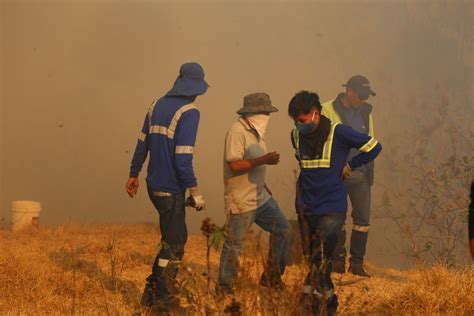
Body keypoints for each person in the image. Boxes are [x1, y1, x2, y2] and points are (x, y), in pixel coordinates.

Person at [288, 91, 381, 315]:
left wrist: (351, 166)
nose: (299, 125)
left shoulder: (339, 132)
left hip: (331, 208)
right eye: (295, 122)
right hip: (305, 207)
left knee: (321, 258)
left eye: (302, 120)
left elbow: (374, 147)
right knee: (314, 261)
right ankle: (329, 304)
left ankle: (307, 301)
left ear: (315, 114)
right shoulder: (296, 135)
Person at [125, 62, 208, 309]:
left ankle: (151, 293)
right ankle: (163, 301)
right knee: (175, 246)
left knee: (169, 241)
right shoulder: (190, 112)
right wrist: (195, 192)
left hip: (153, 185)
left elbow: (142, 143)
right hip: (170, 188)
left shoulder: (156, 105)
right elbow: (183, 158)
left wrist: (133, 173)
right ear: (195, 88)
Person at [217, 92, 290, 294]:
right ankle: (224, 287)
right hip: (241, 199)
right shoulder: (237, 132)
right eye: (264, 112)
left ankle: (271, 278)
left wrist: (263, 184)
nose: (267, 116)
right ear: (252, 114)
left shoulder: (257, 132)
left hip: (260, 197)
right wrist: (264, 160)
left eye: (268, 112)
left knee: (283, 230)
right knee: (235, 244)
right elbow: (235, 164)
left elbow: (252, 165)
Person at [321, 75, 377, 277]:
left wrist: (368, 170)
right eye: (361, 95)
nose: (364, 100)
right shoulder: (327, 109)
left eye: (366, 96)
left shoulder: (365, 112)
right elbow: (321, 139)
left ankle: (357, 263)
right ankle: (336, 261)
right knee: (337, 217)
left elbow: (370, 141)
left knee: (362, 219)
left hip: (360, 173)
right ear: (350, 92)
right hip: (337, 173)